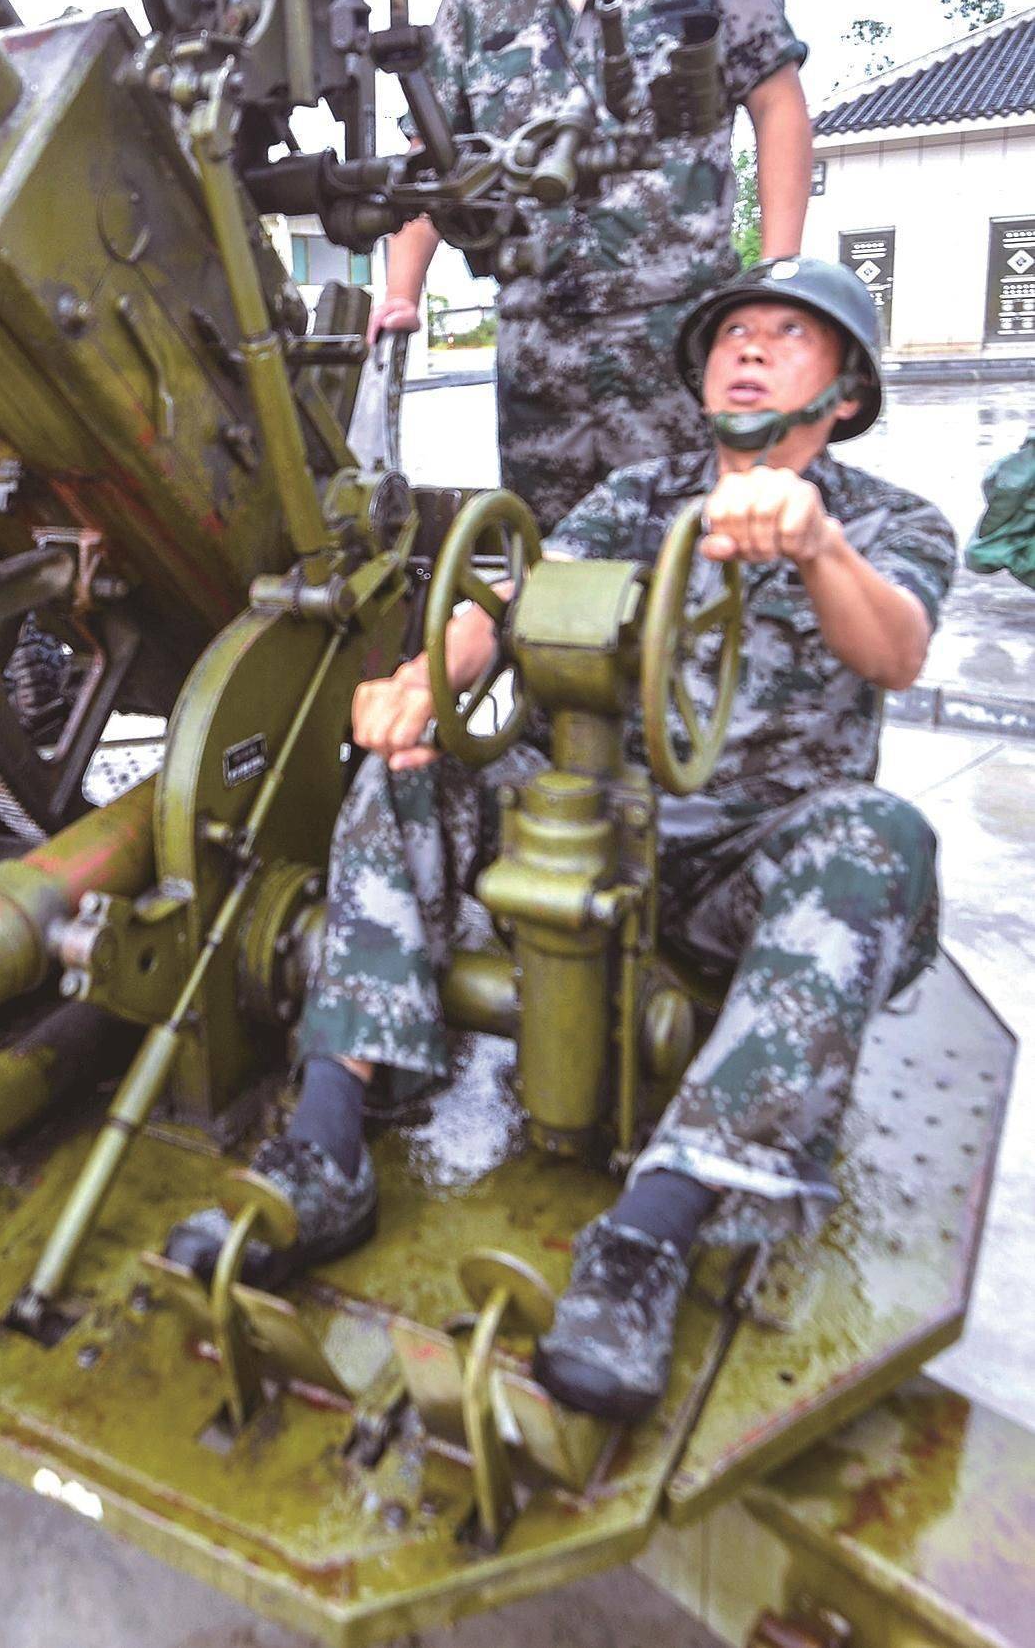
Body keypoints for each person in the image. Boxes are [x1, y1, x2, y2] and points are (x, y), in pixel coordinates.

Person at [169, 256, 955, 1422]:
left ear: (842, 394)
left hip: (757, 861)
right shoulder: (633, 499)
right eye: (732, 332)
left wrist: (813, 544)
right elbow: (506, 603)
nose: (747, 347)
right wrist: (423, 682)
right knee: (411, 778)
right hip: (594, 823)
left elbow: (893, 652)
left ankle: (650, 1234)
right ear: (699, 382)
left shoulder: (891, 522)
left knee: (880, 841)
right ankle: (330, 1141)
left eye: (786, 334)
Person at [367, 0, 814, 531]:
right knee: (554, 585)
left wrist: (778, 283)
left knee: (689, 573)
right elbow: (433, 166)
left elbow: (777, 104)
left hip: (677, 336)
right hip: (538, 349)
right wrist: (398, 293)